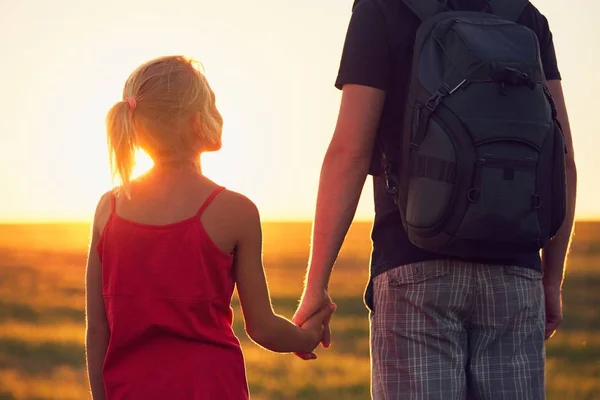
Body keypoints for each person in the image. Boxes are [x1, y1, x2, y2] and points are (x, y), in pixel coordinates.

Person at [293, 0, 577, 399]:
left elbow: (350, 153)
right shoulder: (525, 16)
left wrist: (316, 284)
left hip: (413, 266)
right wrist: (551, 280)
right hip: (516, 272)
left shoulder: (382, 10)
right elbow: (562, 160)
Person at [84, 55, 335, 400]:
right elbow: (262, 327)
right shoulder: (236, 211)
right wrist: (307, 336)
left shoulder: (107, 209)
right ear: (198, 122)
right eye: (214, 103)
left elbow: (98, 330)